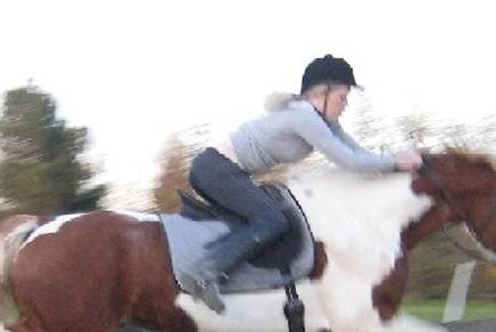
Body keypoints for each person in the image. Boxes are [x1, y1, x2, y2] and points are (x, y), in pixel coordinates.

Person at [180, 54, 422, 313]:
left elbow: (359, 154)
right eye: (342, 97)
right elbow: (350, 163)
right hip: (215, 169)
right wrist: (396, 163)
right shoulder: (305, 118)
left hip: (224, 170)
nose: (345, 104)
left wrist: (395, 162)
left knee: (269, 217)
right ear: (322, 93)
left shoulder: (323, 121)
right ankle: (203, 272)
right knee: (272, 220)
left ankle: (213, 269)